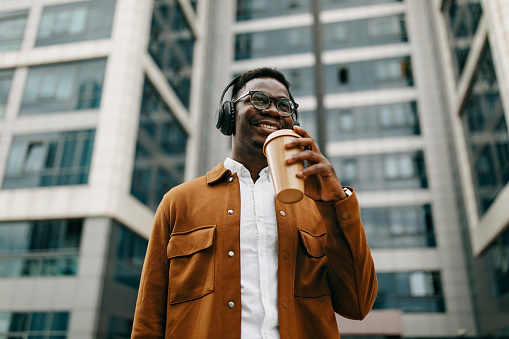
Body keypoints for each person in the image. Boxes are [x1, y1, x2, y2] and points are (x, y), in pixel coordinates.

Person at [131, 67, 377, 338]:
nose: (273, 110)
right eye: (259, 99)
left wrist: (336, 205)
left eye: (285, 106)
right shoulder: (179, 202)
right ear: (230, 114)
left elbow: (358, 305)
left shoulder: (319, 206)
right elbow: (148, 320)